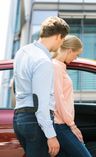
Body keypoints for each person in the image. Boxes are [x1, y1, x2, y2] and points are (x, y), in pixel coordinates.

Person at [13, 16, 69, 157]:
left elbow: (14, 85)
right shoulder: (43, 61)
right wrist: (51, 135)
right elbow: (40, 101)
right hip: (35, 121)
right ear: (57, 36)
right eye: (63, 40)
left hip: (19, 118)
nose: (61, 44)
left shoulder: (22, 52)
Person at [52, 35, 92, 157]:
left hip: (62, 123)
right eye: (76, 54)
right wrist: (72, 126)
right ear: (70, 50)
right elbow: (59, 100)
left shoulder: (60, 67)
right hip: (60, 124)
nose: (76, 58)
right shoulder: (56, 67)